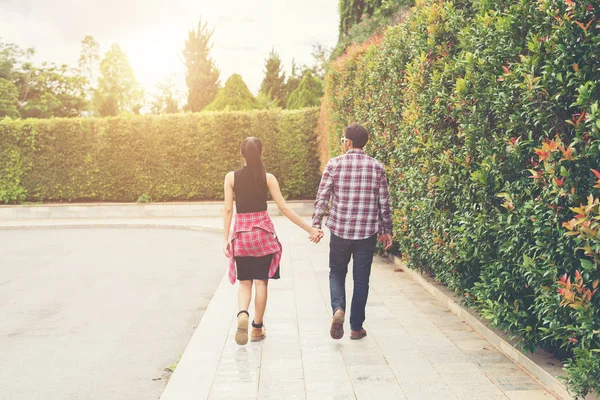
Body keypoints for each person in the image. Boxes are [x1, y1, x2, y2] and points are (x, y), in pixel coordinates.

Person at [223, 137, 323, 346]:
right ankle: (257, 328)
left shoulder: (231, 178)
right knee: (261, 282)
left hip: (241, 235)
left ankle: (243, 313)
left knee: (244, 282)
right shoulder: (267, 178)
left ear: (242, 155)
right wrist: (309, 229)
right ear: (260, 153)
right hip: (262, 234)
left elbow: (228, 209)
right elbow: (284, 208)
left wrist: (226, 238)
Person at [312, 123, 393, 340]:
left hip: (340, 230)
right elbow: (383, 202)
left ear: (348, 142)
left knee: (336, 273)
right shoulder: (377, 167)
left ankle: (338, 309)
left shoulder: (334, 164)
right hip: (367, 233)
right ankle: (356, 328)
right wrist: (386, 230)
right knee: (361, 280)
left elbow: (323, 197)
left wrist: (316, 224)